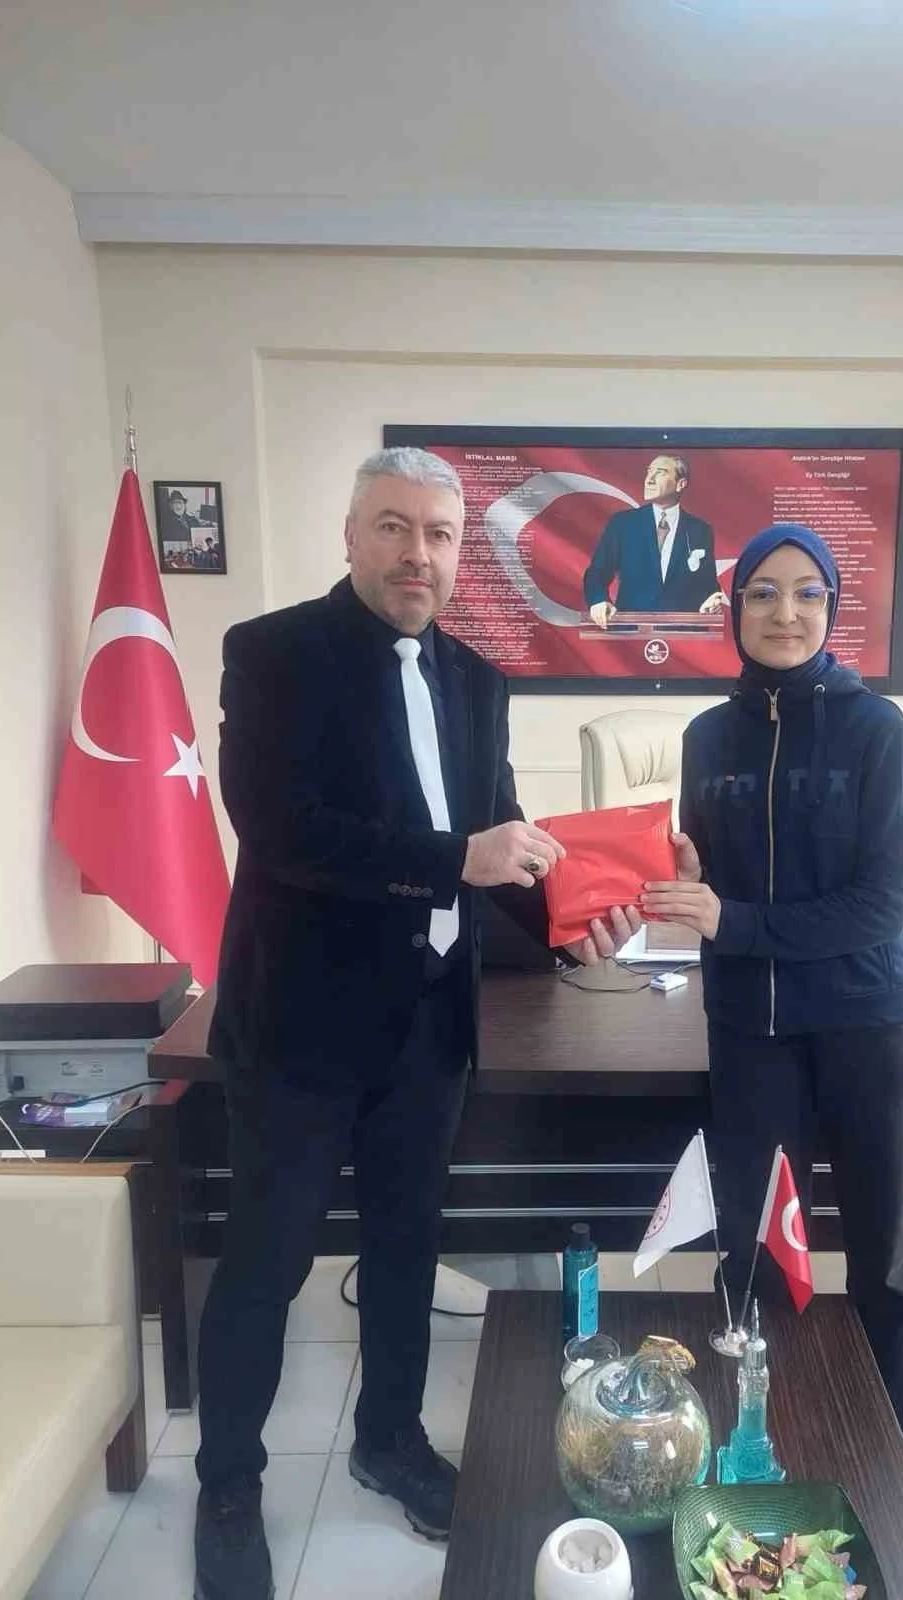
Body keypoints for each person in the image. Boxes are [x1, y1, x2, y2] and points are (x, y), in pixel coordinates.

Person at [194, 446, 641, 1600]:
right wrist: (456, 858)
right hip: (300, 1033)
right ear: (351, 536)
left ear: (458, 555)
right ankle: (228, 1484)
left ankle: (389, 1441)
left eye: (439, 534)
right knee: (265, 1265)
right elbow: (283, 828)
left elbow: (501, 836)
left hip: (428, 1031)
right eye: (393, 527)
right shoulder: (273, 654)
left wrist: (570, 922)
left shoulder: (477, 679)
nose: (418, 554)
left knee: (403, 1253)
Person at [641, 522, 903, 1483]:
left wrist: (734, 919)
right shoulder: (707, 737)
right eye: (764, 592)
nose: (785, 612)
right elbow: (716, 890)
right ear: (734, 610)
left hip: (866, 1023)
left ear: (832, 609)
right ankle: (766, 1447)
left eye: (808, 592)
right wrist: (690, 877)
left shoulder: (877, 730)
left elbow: (879, 905)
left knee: (889, 1256)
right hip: (752, 1030)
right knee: (757, 1259)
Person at [583, 453, 727, 626]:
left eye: (660, 472)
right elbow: (597, 572)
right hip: (631, 633)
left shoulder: (700, 530)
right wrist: (598, 600)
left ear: (680, 484)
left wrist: (712, 600)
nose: (649, 479)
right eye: (649, 471)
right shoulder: (623, 524)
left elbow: (707, 584)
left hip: (684, 635)